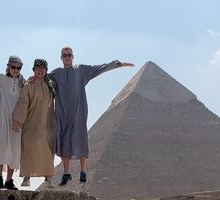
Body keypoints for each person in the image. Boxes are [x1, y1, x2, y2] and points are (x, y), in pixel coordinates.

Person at [49, 46, 134, 185]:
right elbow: (42, 79)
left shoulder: (81, 70)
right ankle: (66, 173)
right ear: (60, 57)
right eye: (64, 55)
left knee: (80, 138)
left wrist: (116, 64)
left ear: (73, 56)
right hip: (62, 113)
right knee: (64, 141)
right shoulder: (56, 73)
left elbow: (98, 68)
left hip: (78, 111)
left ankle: (83, 171)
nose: (67, 57)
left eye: (69, 55)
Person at [12, 59, 56, 188]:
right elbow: (23, 103)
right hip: (31, 122)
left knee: (47, 150)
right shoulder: (28, 85)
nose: (40, 71)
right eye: (38, 68)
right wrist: (17, 120)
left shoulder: (50, 85)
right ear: (33, 69)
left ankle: (48, 178)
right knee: (29, 147)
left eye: (43, 68)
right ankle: (27, 176)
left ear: (46, 70)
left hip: (47, 123)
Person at [0, 56, 25, 189]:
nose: (15, 70)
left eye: (18, 68)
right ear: (8, 67)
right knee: (0, 147)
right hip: (1, 117)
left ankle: (9, 180)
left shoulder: (23, 83)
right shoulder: (0, 78)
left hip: (16, 120)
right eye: (13, 67)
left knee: (14, 150)